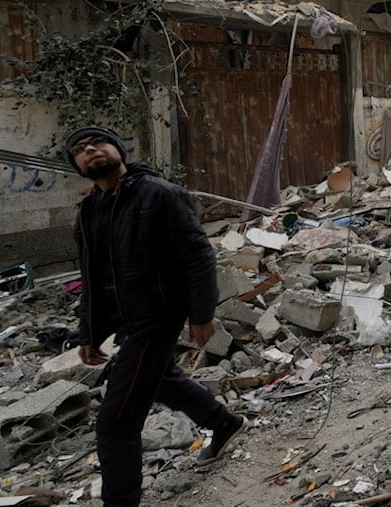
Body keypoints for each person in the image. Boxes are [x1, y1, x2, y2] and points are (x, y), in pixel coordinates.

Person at [66, 126, 247, 507]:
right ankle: (224, 423)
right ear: (76, 165)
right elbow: (90, 278)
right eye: (80, 149)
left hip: (158, 316)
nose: (90, 150)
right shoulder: (88, 211)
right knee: (161, 380)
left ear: (118, 149)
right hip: (124, 321)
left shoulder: (159, 194)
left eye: (97, 142)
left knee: (116, 422)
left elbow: (198, 256)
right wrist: (88, 333)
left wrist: (201, 313)